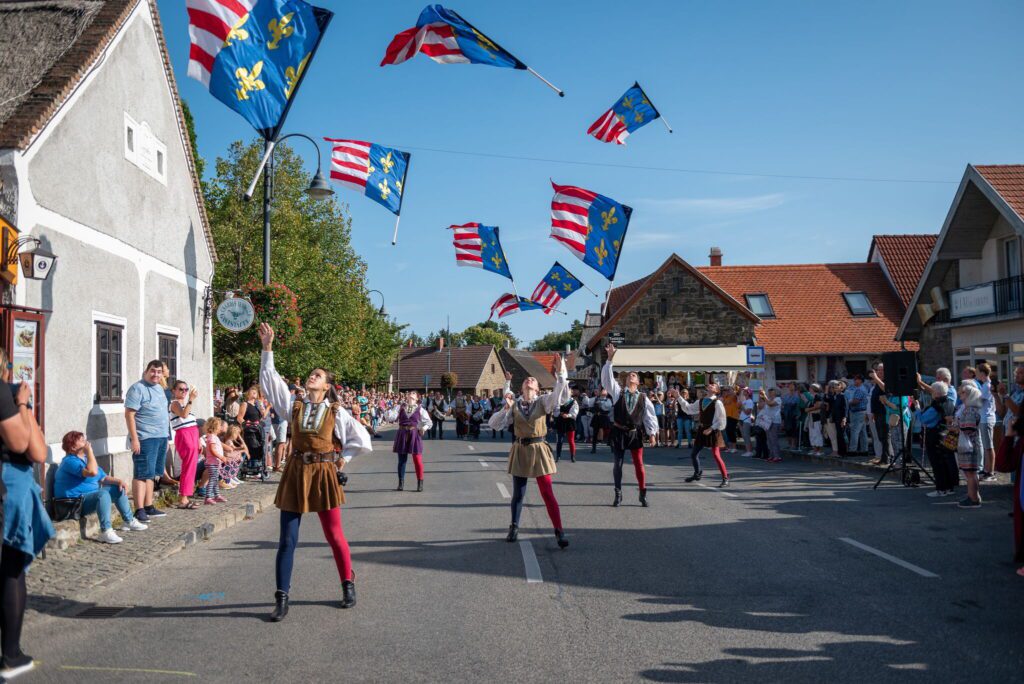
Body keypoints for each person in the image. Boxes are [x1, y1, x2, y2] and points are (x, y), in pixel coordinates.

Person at [259, 323, 372, 621]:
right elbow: (271, 383)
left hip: (323, 473)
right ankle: (281, 597)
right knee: (287, 539)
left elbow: (361, 440)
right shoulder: (294, 407)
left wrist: (342, 460)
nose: (312, 376)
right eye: (312, 373)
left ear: (326, 386)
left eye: (318, 376)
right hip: (296, 471)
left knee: (334, 535)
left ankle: (348, 583)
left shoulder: (337, 411)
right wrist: (267, 348)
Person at [0, 355, 49, 680]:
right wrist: (23, 404)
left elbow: (41, 451)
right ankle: (11, 655)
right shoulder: (5, 392)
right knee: (11, 568)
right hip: (9, 482)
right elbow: (29, 447)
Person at [488, 358, 570, 548]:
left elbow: (560, 394)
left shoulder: (544, 401)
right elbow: (494, 424)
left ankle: (559, 531)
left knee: (547, 492)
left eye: (532, 380)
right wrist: (505, 409)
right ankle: (514, 527)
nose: (529, 380)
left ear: (538, 388)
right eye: (526, 380)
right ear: (522, 387)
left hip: (539, 448)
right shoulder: (514, 404)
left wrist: (560, 372)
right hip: (520, 449)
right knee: (518, 493)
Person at [54, 432, 147, 543]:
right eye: (82, 441)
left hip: (86, 499)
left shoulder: (86, 459)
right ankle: (106, 531)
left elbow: (102, 477)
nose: (86, 442)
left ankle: (129, 521)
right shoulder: (69, 461)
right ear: (73, 447)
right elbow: (92, 472)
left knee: (118, 488)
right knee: (102, 494)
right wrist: (90, 453)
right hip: (74, 504)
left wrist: (119, 481)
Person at [600, 345, 658, 505]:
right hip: (618, 432)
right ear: (626, 381)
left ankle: (642, 492)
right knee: (617, 464)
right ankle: (618, 494)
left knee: (639, 464)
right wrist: (609, 359)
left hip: (634, 433)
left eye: (634, 375)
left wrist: (652, 434)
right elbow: (607, 380)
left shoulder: (644, 398)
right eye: (629, 376)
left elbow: (649, 417)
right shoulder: (618, 393)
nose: (631, 376)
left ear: (638, 382)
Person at [125, 360, 169, 524]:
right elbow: (129, 415)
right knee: (142, 473)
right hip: (145, 437)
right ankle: (139, 509)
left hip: (160, 436)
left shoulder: (159, 388)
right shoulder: (138, 388)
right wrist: (135, 439)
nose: (155, 374)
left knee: (152, 474)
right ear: (146, 371)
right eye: (152, 371)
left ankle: (149, 505)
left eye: (159, 371)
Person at [679, 382, 730, 486]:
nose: (710, 385)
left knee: (716, 455)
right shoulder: (701, 401)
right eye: (709, 384)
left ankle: (725, 478)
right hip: (702, 429)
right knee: (694, 454)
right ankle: (697, 474)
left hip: (712, 430)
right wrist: (678, 397)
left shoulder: (718, 403)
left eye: (713, 385)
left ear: (716, 390)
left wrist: (711, 428)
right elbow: (688, 409)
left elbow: (722, 420)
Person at [916, 382, 958, 498]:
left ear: (937, 393)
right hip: (947, 435)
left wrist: (918, 409)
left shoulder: (936, 405)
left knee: (937, 464)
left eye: (933, 391)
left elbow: (924, 419)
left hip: (935, 436)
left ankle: (941, 489)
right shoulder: (950, 402)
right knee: (946, 462)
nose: (931, 393)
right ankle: (949, 487)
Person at [168, 380, 200, 510]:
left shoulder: (186, 405)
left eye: (186, 389)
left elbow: (192, 423)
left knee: (191, 467)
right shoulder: (175, 403)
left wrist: (198, 440)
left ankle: (186, 496)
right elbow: (184, 415)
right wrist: (191, 400)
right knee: (187, 467)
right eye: (181, 389)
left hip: (192, 434)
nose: (184, 392)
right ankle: (183, 498)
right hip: (184, 435)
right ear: (174, 391)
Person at [392, 392, 432, 491]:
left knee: (417, 460)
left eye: (413, 398)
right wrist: (391, 411)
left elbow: (429, 422)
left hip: (414, 433)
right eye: (409, 397)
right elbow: (390, 417)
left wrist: (424, 428)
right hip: (402, 433)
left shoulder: (420, 409)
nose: (410, 399)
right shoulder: (400, 407)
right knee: (402, 461)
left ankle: (420, 483)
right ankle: (401, 483)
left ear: (416, 400)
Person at [955, 382, 984, 508]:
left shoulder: (970, 410)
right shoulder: (969, 409)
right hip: (969, 445)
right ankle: (972, 496)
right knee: (969, 473)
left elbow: (968, 428)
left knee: (970, 473)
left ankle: (973, 498)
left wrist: (956, 427)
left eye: (963, 392)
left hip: (970, 446)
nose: (960, 395)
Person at [238, 385, 268, 478]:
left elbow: (264, 416)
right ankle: (250, 468)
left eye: (256, 391)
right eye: (252, 391)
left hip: (258, 430)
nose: (254, 392)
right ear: (248, 394)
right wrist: (246, 424)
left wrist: (267, 407)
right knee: (252, 447)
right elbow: (239, 417)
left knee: (260, 448)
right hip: (249, 430)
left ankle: (257, 468)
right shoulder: (245, 404)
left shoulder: (257, 405)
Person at [976, 363, 999, 483]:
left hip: (987, 419)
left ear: (983, 373)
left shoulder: (987, 386)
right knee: (986, 446)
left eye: (978, 371)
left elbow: (979, 401)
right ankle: (987, 469)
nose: (976, 373)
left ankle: (991, 472)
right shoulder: (985, 385)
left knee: (989, 447)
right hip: (984, 418)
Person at [553, 389, 579, 463]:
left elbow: (575, 412)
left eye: (568, 392)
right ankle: (558, 456)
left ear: (571, 393)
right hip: (561, 422)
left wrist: (568, 415)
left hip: (570, 422)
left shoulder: (574, 402)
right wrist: (561, 414)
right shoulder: (559, 401)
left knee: (571, 440)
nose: (566, 393)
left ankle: (572, 456)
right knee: (559, 441)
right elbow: (555, 411)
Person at [823, 381, 848, 457]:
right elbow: (826, 399)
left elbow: (846, 408)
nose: (836, 386)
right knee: (838, 435)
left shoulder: (843, 396)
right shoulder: (835, 396)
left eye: (838, 385)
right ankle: (839, 452)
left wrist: (844, 418)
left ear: (842, 387)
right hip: (836, 418)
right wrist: (826, 390)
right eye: (835, 385)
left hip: (841, 418)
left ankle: (843, 453)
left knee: (842, 435)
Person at [847, 375, 870, 454]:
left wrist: (848, 402)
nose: (854, 381)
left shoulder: (859, 389)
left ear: (860, 380)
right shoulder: (863, 388)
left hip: (858, 412)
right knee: (863, 432)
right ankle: (864, 450)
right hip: (861, 412)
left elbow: (856, 401)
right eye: (854, 379)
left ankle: (852, 450)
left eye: (856, 379)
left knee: (855, 431)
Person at [590, 388, 612, 453]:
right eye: (602, 390)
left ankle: (612, 447)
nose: (603, 391)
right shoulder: (596, 398)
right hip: (597, 417)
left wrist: (601, 404)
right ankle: (593, 448)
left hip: (604, 417)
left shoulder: (608, 400)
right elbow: (589, 403)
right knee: (595, 433)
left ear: (607, 393)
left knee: (609, 432)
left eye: (604, 390)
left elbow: (608, 407)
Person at [804, 384, 825, 456]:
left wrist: (808, 409)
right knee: (812, 434)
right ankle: (815, 449)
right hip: (811, 417)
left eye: (810, 388)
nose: (809, 389)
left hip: (817, 417)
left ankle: (820, 450)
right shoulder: (812, 397)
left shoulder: (818, 396)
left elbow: (818, 406)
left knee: (817, 433)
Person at [737, 389, 754, 456]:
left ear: (748, 393)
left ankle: (749, 451)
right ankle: (748, 450)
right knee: (744, 436)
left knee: (746, 436)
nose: (744, 392)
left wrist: (742, 406)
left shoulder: (749, 401)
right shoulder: (744, 401)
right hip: (741, 419)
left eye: (745, 391)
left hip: (746, 420)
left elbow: (748, 412)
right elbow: (741, 410)